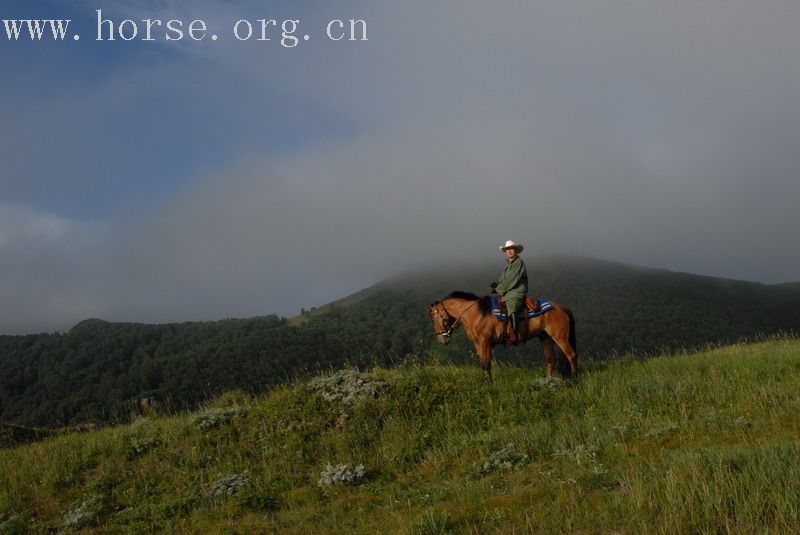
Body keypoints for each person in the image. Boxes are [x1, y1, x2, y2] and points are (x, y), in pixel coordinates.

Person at [491, 240, 528, 344]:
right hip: (508, 290)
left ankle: (515, 334)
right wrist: (497, 284)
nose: (510, 251)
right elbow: (503, 279)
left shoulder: (518, 263)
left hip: (516, 291)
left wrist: (499, 289)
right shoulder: (508, 265)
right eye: (507, 250)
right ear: (505, 252)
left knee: (511, 304)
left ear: (516, 250)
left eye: (511, 249)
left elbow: (512, 279)